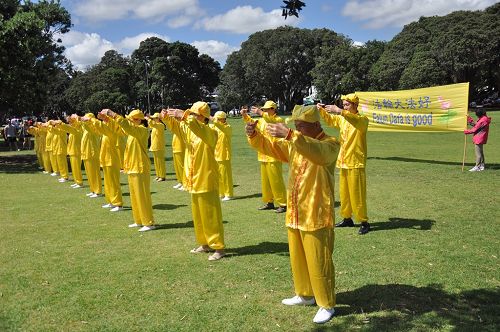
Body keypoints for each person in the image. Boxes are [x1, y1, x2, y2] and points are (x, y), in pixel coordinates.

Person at [246, 104, 339, 324]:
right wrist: (255, 137)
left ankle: (327, 304)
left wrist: (290, 135)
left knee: (319, 260)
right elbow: (274, 149)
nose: (297, 129)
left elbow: (317, 153)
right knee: (298, 258)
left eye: (300, 126)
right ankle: (304, 294)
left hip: (316, 212)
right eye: (295, 126)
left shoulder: (330, 144)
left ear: (315, 125)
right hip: (296, 210)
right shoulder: (296, 142)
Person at [161, 102, 226, 260]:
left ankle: (218, 248)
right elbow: (177, 127)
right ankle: (204, 244)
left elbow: (198, 129)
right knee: (198, 216)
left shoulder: (211, 132)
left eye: (195, 114)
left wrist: (184, 116)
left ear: (203, 117)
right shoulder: (189, 129)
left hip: (206, 178)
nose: (192, 117)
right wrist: (167, 118)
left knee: (211, 215)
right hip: (193, 179)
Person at [318, 93, 370, 235]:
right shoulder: (343, 119)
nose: (345, 107)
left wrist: (340, 111)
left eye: (347, 104)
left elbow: (353, 119)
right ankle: (347, 218)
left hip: (356, 162)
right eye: (344, 104)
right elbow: (331, 120)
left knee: (357, 194)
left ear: (355, 105)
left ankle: (364, 221)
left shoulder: (362, 120)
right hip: (344, 161)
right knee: (344, 193)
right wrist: (322, 111)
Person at [103, 109, 156, 232]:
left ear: (139, 120)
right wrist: (108, 120)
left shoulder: (142, 130)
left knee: (142, 196)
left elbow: (126, 126)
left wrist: (114, 115)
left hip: (140, 167)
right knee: (134, 196)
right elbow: (117, 129)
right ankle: (139, 220)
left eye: (132, 120)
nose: (130, 122)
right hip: (132, 167)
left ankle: (148, 222)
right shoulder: (133, 131)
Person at [241, 101, 287, 213]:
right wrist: (244, 115)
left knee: (276, 181)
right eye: (264, 109)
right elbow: (251, 122)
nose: (265, 111)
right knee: (266, 182)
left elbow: (272, 120)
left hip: (274, 155)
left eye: (267, 109)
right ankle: (269, 202)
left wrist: (261, 113)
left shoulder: (278, 120)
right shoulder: (261, 121)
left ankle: (283, 204)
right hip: (263, 154)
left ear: (273, 109)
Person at [89, 113, 124, 211]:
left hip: (112, 160)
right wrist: (88, 122)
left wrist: (92, 119)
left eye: (106, 121)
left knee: (114, 183)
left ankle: (118, 203)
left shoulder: (111, 132)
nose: (104, 122)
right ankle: (111, 201)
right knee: (108, 183)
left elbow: (103, 125)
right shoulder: (105, 134)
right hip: (105, 160)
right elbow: (98, 128)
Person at [75, 113, 102, 198]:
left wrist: (84, 121)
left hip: (92, 154)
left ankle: (98, 191)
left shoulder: (94, 128)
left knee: (95, 173)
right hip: (86, 153)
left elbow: (88, 127)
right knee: (89, 174)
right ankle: (93, 190)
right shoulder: (86, 130)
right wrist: (79, 120)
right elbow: (80, 127)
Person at [210, 111, 234, 201]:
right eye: (217, 119)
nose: (217, 120)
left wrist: (213, 120)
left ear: (224, 119)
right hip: (216, 154)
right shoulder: (214, 127)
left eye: (219, 119)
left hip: (224, 155)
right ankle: (221, 193)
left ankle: (229, 194)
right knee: (218, 176)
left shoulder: (227, 127)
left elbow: (221, 127)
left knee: (226, 176)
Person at [58, 117, 84, 188]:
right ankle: (77, 181)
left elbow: (68, 128)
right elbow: (68, 128)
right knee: (74, 168)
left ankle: (79, 182)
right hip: (72, 152)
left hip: (76, 152)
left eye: (71, 122)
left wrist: (61, 124)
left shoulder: (78, 130)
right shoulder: (74, 130)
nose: (70, 123)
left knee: (77, 168)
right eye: (69, 122)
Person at [147, 112, 166, 182]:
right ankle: (158, 175)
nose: (154, 119)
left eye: (155, 118)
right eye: (154, 118)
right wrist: (150, 119)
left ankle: (162, 176)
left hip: (159, 146)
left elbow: (152, 124)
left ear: (159, 119)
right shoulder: (154, 126)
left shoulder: (161, 125)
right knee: (156, 162)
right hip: (154, 146)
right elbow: (151, 124)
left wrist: (149, 119)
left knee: (160, 162)